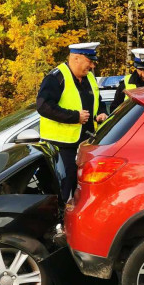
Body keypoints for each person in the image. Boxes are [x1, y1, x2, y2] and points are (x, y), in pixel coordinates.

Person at [37, 42, 108, 201]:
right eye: (89, 61)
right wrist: (74, 117)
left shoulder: (89, 77)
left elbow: (98, 100)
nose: (92, 65)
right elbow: (43, 106)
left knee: (82, 191)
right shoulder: (56, 77)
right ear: (76, 58)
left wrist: (102, 112)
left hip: (86, 145)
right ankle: (60, 224)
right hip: (61, 148)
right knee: (63, 192)